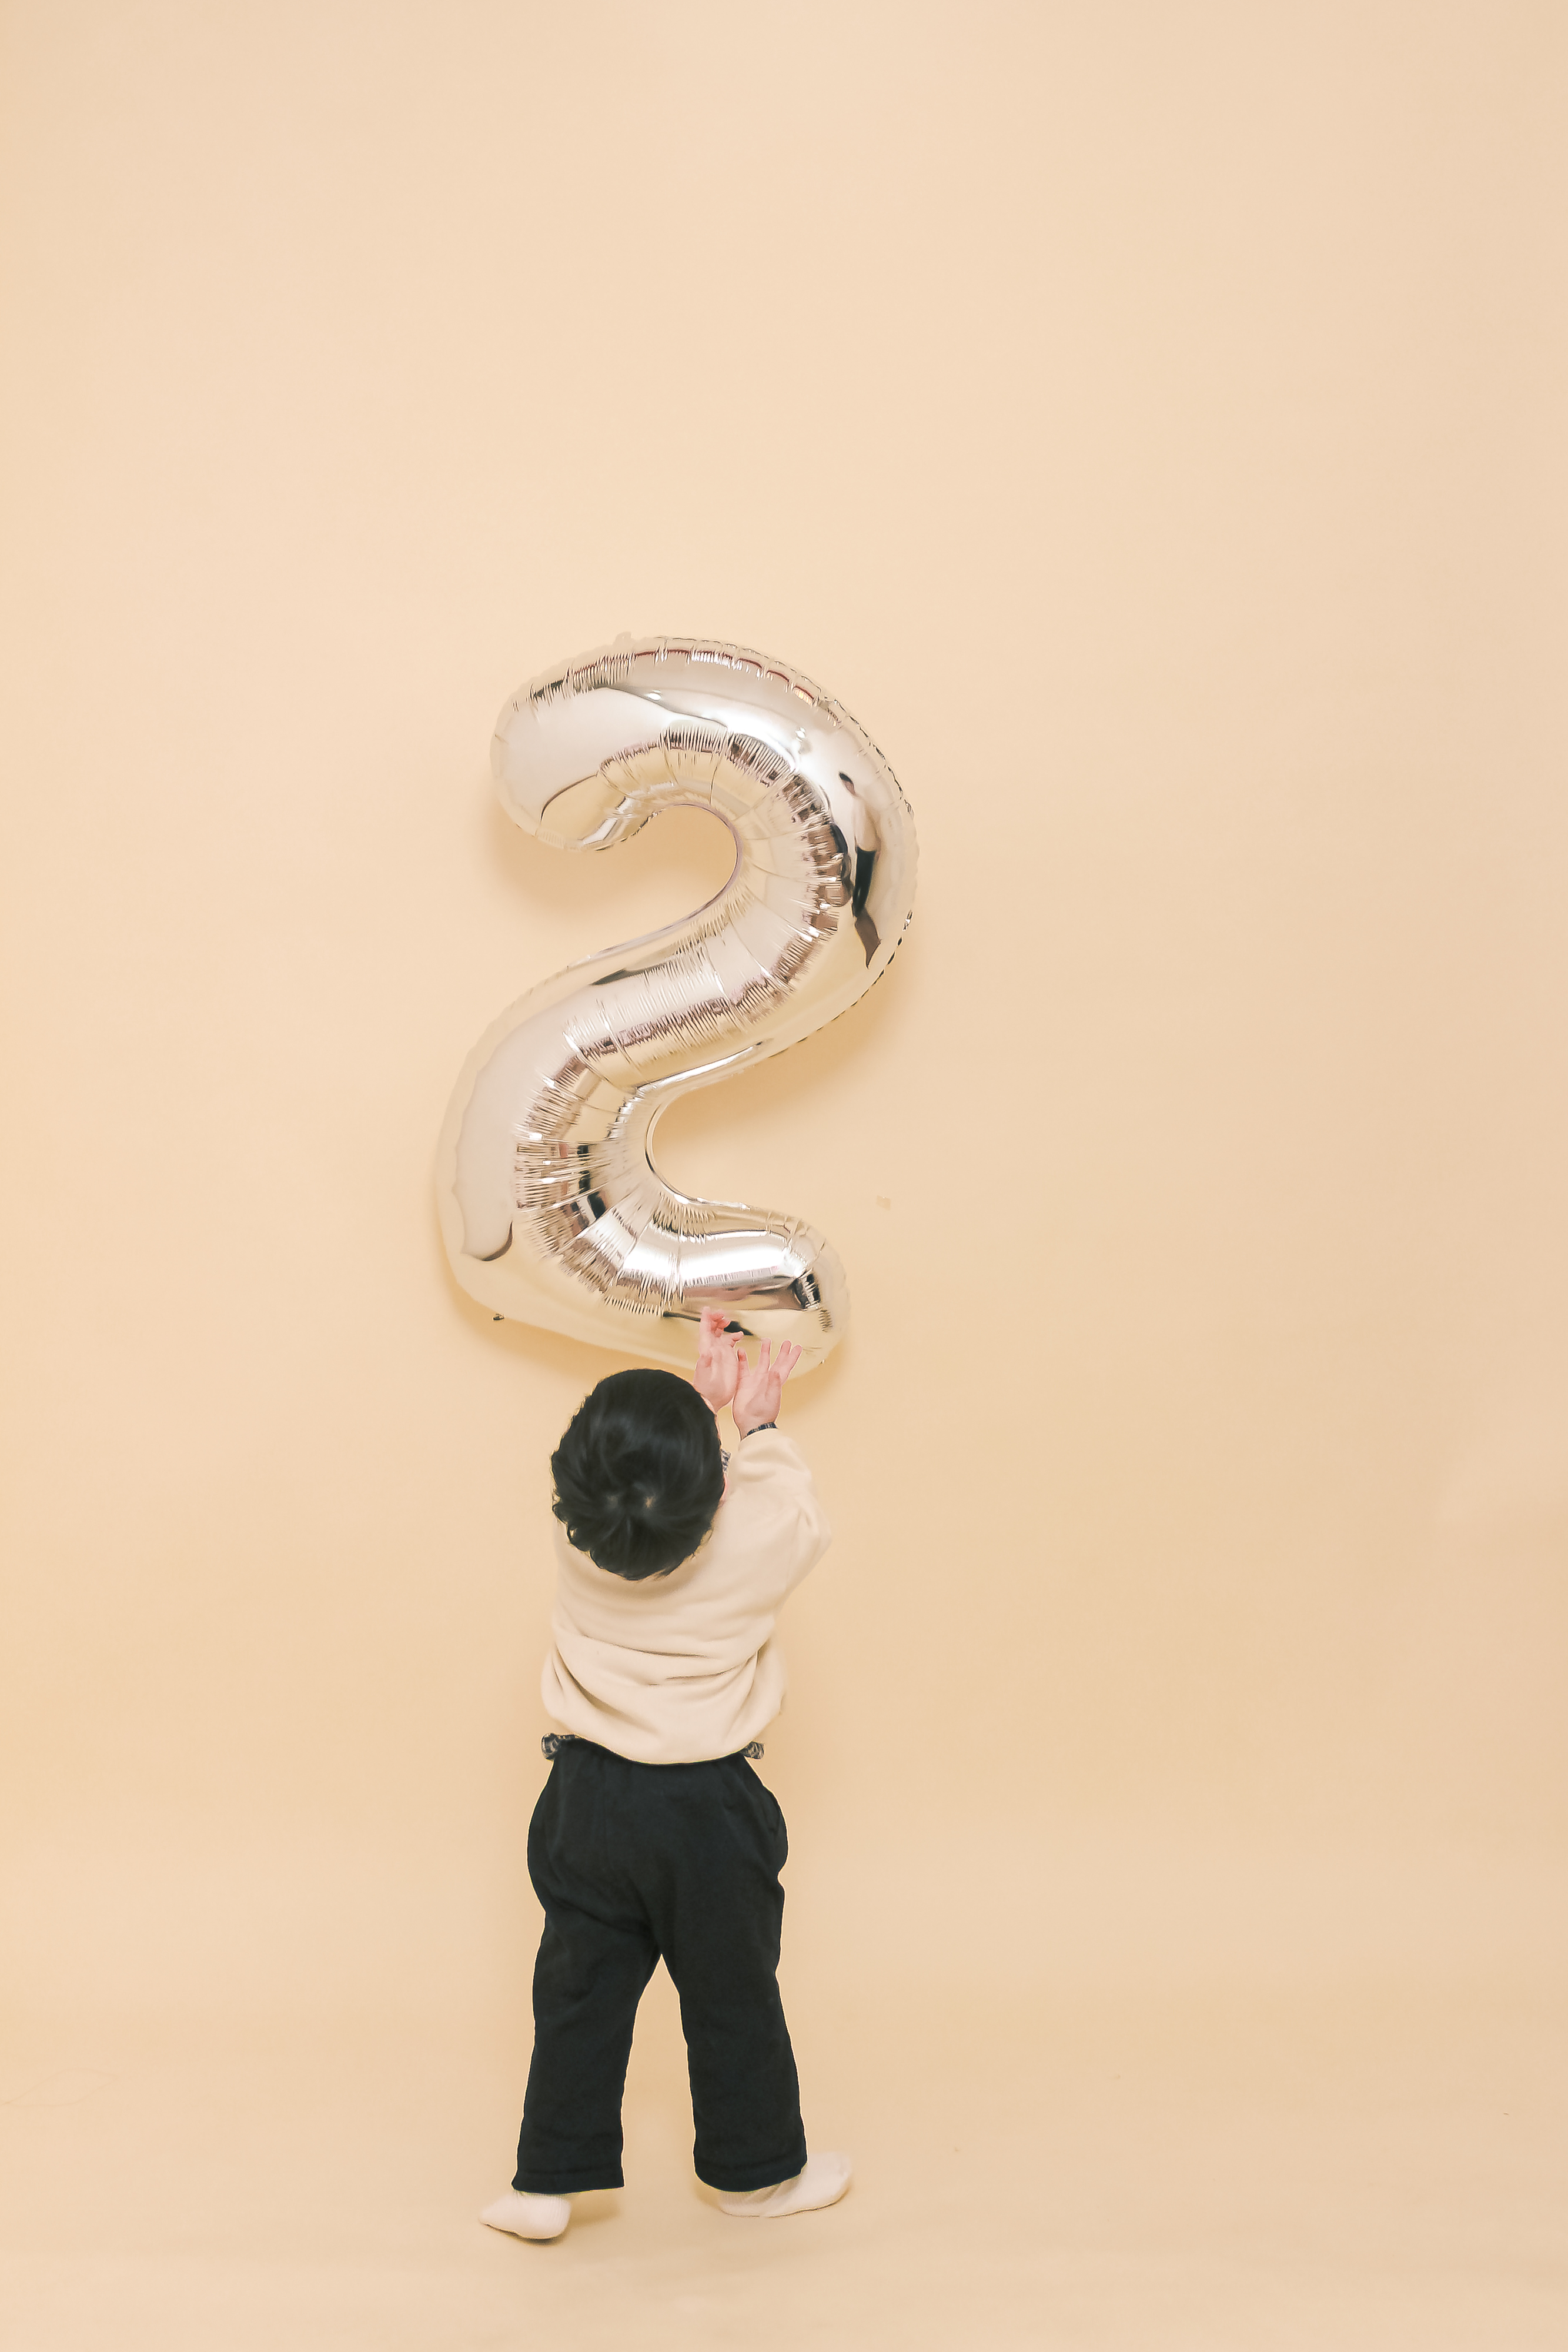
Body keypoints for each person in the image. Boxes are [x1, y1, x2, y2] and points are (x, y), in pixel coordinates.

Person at [479, 1308, 851, 2243]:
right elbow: (794, 1512)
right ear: (719, 1496)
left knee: (578, 1995)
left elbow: (638, 1484)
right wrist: (752, 1424)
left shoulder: (579, 1538)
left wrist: (694, 1406)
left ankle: (546, 2180)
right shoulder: (758, 1545)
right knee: (732, 1997)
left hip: (587, 1803)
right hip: (706, 1815)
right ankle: (755, 2177)